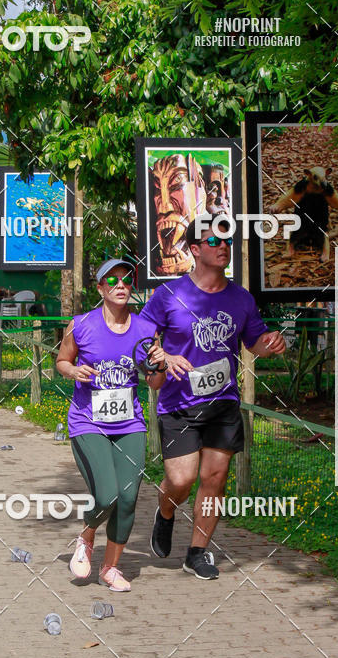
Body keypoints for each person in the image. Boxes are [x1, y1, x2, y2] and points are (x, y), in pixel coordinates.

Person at [141, 220, 286, 579]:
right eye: (214, 240)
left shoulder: (241, 297)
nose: (224, 245)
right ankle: (166, 511)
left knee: (215, 477)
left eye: (228, 240)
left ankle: (198, 551)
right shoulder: (169, 295)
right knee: (181, 479)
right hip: (178, 403)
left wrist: (272, 344)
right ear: (193, 249)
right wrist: (160, 356)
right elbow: (142, 337)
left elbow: (255, 342)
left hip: (223, 401)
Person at [56, 259, 165, 592]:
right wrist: (73, 371)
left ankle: (110, 568)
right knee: (106, 495)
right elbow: (62, 360)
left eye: (126, 280)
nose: (121, 285)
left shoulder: (146, 329)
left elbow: (155, 383)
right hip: (88, 422)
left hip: (129, 423)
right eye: (112, 280)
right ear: (101, 288)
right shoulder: (81, 325)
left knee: (129, 497)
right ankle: (87, 537)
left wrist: (158, 367)